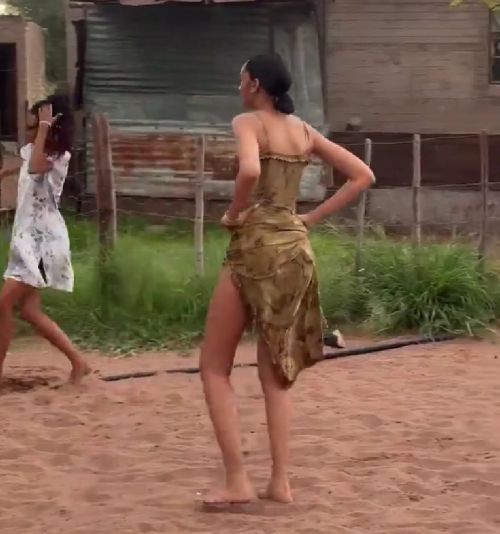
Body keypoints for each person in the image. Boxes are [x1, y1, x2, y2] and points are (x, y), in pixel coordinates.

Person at [199, 53, 375, 508]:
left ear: (255, 84)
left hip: (254, 248)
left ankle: (237, 480)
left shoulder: (247, 122)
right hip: (295, 251)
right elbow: (363, 176)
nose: (239, 86)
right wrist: (309, 219)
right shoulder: (303, 131)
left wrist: (234, 213)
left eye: (241, 78)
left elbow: (250, 170)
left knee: (214, 367)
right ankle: (280, 482)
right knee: (276, 370)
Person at [0, 95, 90, 385]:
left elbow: (35, 166)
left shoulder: (58, 156)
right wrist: (5, 172)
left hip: (42, 244)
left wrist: (43, 127)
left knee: (3, 306)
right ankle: (79, 362)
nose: (31, 126)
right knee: (28, 311)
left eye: (37, 120)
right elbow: (26, 163)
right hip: (26, 238)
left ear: (53, 122)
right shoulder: (35, 149)